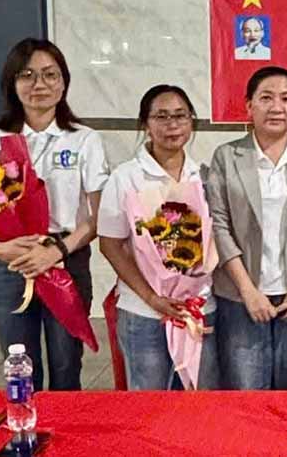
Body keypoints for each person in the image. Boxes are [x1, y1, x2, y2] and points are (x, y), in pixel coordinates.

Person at [0, 38, 108, 391]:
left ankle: (65, 441)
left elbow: (98, 214)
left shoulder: (84, 139)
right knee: (19, 364)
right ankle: (25, 436)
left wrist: (57, 251)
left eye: (50, 74)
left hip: (65, 259)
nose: (39, 84)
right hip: (10, 261)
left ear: (63, 83)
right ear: (12, 84)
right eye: (27, 75)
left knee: (65, 364)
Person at [207, 66, 287, 390]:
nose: (276, 107)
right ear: (249, 106)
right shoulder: (227, 156)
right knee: (245, 394)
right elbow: (219, 225)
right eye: (266, 98)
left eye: (286, 99)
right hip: (241, 295)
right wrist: (248, 291)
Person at [97, 85, 219, 390]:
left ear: (192, 121)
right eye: (161, 117)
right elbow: (110, 244)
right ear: (145, 124)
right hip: (144, 312)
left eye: (180, 116)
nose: (172, 125)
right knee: (148, 407)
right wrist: (152, 298)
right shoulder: (125, 178)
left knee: (200, 407)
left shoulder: (205, 176)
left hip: (198, 308)